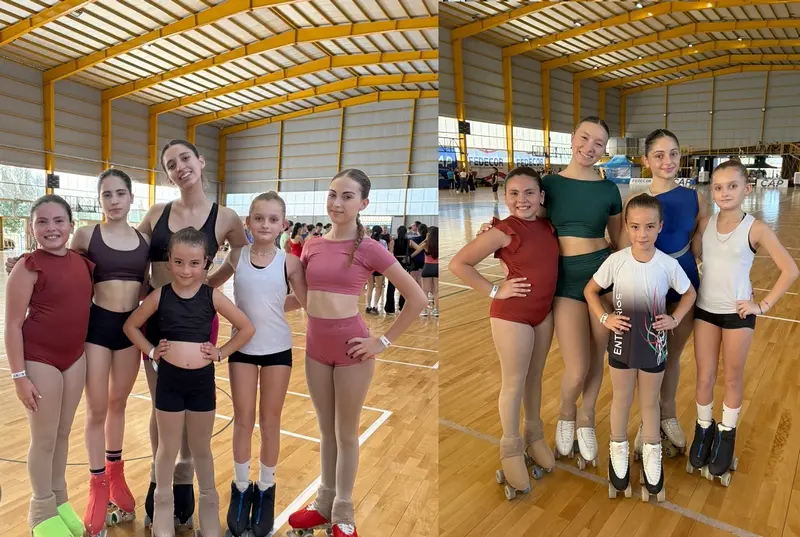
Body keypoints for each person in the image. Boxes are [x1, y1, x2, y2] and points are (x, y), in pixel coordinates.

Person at [286, 169, 427, 537]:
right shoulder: (313, 245)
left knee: (346, 433)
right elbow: (303, 298)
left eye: (347, 196)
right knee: (326, 431)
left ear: (363, 203)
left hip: (352, 350)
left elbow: (417, 298)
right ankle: (323, 505)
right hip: (315, 348)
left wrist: (382, 342)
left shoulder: (369, 248)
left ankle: (343, 512)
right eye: (333, 194)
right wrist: (256, 307)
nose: (337, 202)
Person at [479, 116, 622, 468]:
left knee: (598, 356)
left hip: (600, 279)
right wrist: (493, 230)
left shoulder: (609, 189)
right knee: (577, 365)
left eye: (599, 143)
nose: (589, 147)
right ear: (572, 138)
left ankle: (586, 417)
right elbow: (526, 218)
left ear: (604, 149)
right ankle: (566, 414)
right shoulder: (550, 185)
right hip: (565, 283)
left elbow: (619, 242)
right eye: (584, 138)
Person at [139, 139, 249, 527]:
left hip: (198, 322)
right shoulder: (156, 213)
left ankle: (185, 479)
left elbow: (242, 253)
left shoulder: (226, 217)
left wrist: (211, 284)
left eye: (185, 158)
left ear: (201, 161)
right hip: (157, 321)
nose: (180, 166)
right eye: (171, 164)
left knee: (192, 409)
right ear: (167, 174)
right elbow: (129, 252)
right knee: (162, 407)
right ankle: (161, 484)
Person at [123, 227, 255, 537]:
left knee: (201, 449)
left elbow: (246, 328)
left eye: (194, 263)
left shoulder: (212, 296)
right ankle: (162, 510)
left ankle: (208, 511)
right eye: (179, 262)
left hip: (201, 384)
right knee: (166, 449)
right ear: (169, 261)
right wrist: (152, 351)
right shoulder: (161, 295)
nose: (186, 270)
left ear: (206, 262)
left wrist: (221, 352)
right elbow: (130, 326)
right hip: (169, 381)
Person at [686, 160, 798, 485]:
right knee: (705, 376)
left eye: (732, 186)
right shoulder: (705, 223)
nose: (724, 193)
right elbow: (693, 254)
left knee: (732, 378)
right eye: (718, 187)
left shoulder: (756, 228)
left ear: (747, 189)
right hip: (705, 310)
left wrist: (761, 305)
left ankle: (726, 434)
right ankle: (703, 429)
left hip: (738, 315)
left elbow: (790, 270)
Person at [449, 168, 558, 500]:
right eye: (513, 193)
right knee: (514, 382)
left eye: (529, 193)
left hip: (543, 313)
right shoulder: (504, 230)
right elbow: (459, 264)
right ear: (504, 196)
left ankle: (533, 435)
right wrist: (495, 290)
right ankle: (510, 447)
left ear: (541, 196)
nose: (521, 199)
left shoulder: (548, 225)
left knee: (535, 378)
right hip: (513, 315)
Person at [207, 192, 307, 537]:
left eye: (273, 219)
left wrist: (277, 306)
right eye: (259, 218)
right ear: (247, 222)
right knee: (243, 419)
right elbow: (210, 286)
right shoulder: (236, 256)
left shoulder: (290, 262)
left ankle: (265, 489)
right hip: (242, 349)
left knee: (270, 421)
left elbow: (305, 300)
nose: (265, 224)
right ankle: (240, 488)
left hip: (278, 349)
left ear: (283, 225)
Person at [585, 193, 696, 502]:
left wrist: (674, 319)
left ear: (660, 226)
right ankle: (618, 451)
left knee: (649, 403)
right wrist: (605, 318)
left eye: (649, 226)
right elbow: (590, 291)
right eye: (635, 227)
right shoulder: (616, 261)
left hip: (654, 344)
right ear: (626, 226)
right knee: (621, 399)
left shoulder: (668, 264)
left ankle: (651, 454)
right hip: (622, 341)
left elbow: (689, 294)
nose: (642, 234)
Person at [6, 195, 94, 537]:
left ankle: (59, 500)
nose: (51, 228)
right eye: (42, 221)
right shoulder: (27, 268)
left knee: (62, 434)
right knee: (43, 438)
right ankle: (41, 510)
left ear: (71, 225)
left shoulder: (84, 264)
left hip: (74, 359)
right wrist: (19, 377)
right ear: (32, 228)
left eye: (58, 220)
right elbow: (13, 325)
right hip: (39, 359)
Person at [621, 129, 707, 457]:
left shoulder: (694, 198)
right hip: (646, 286)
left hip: (683, 282)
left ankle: (667, 413)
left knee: (672, 356)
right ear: (646, 160)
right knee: (648, 359)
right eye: (658, 155)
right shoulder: (635, 201)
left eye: (673, 153)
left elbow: (703, 242)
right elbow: (622, 248)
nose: (667, 161)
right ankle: (648, 420)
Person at [75, 170, 150, 536]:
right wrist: (27, 262)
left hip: (129, 330)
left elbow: (150, 286)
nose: (115, 200)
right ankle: (97, 484)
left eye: (121, 193)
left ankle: (115, 474)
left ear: (131, 198)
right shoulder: (86, 235)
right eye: (107, 194)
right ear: (100, 199)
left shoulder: (144, 240)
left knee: (118, 403)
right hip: (97, 328)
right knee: (96, 408)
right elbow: (63, 271)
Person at [412, 226, 439, 317]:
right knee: (436, 291)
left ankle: (424, 311)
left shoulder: (426, 244)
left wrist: (426, 239)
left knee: (425, 291)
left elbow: (416, 251)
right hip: (437, 267)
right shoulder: (438, 244)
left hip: (427, 267)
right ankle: (436, 310)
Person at [365, 225, 388, 315]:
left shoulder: (367, 242)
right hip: (379, 266)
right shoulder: (383, 242)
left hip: (369, 266)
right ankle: (375, 306)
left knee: (370, 286)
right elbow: (385, 254)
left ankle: (368, 306)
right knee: (378, 287)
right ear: (381, 232)